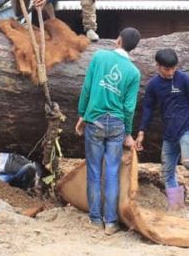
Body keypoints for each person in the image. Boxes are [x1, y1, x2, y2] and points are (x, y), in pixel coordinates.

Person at [75, 27, 142, 235]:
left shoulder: (99, 57)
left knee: (94, 171)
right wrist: (128, 133)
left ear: (118, 40)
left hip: (94, 121)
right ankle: (111, 222)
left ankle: (95, 219)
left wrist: (82, 114)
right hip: (116, 125)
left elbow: (87, 87)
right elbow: (129, 107)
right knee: (112, 172)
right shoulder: (133, 72)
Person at [135, 49, 189, 210]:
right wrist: (141, 132)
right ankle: (177, 206)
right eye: (167, 69)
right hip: (169, 134)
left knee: (188, 161)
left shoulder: (184, 79)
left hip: (187, 128)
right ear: (158, 66)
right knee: (167, 172)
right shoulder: (153, 85)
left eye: (173, 68)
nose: (171, 72)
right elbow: (148, 109)